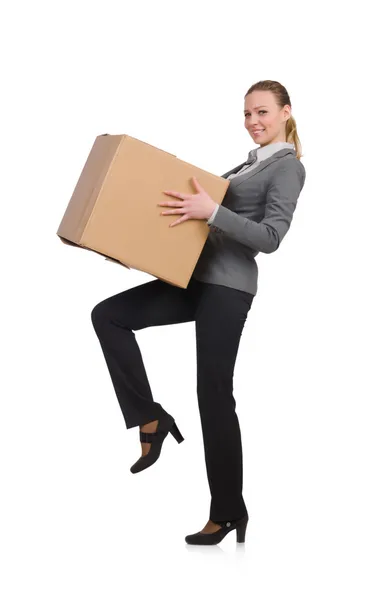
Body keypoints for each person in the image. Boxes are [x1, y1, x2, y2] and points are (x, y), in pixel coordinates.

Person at [91, 79, 306, 545]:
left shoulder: (287, 169)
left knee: (213, 395)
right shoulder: (247, 165)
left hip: (228, 288)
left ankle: (227, 511)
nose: (253, 122)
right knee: (108, 315)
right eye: (248, 113)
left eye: (263, 112)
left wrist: (212, 211)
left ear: (286, 112)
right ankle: (151, 418)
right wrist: (130, 245)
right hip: (193, 278)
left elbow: (270, 238)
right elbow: (195, 223)